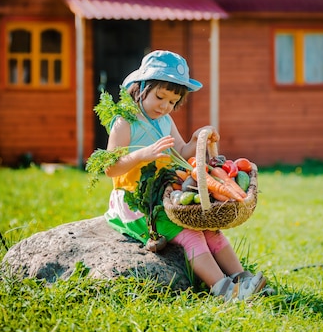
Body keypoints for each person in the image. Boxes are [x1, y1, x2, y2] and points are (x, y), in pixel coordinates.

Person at [105, 49, 267, 301]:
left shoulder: (165, 120)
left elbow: (180, 150)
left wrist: (194, 139)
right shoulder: (124, 123)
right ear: (142, 86)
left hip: (165, 193)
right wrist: (142, 155)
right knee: (191, 234)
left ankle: (242, 278)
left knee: (210, 229)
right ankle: (225, 290)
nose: (165, 106)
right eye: (160, 97)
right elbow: (110, 168)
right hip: (137, 202)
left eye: (172, 102)